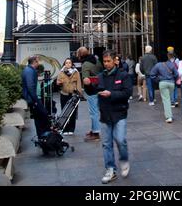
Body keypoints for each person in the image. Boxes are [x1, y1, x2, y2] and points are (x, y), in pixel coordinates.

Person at [83, 50, 133, 184]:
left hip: (119, 113)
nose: (106, 64)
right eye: (104, 61)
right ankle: (110, 169)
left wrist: (111, 94)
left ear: (114, 60)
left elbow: (127, 92)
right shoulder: (100, 76)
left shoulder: (123, 75)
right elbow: (93, 91)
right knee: (106, 144)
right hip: (105, 114)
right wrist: (87, 85)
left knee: (120, 139)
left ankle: (124, 159)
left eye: (108, 61)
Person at [77, 46, 103, 142]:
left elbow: (86, 80)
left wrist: (86, 81)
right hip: (99, 88)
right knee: (95, 111)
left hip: (91, 90)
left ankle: (96, 133)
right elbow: (101, 72)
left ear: (80, 55)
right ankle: (93, 130)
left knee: (93, 112)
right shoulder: (96, 59)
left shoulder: (85, 64)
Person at [22, 55, 51, 138]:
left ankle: (42, 136)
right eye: (38, 61)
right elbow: (30, 86)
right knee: (44, 115)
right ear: (34, 62)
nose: (39, 63)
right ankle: (44, 135)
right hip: (34, 99)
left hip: (34, 98)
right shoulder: (29, 71)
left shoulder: (30, 70)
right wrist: (36, 101)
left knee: (39, 117)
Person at [56, 58, 82, 135]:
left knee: (73, 112)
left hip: (73, 94)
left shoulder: (76, 72)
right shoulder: (61, 72)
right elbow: (58, 83)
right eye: (66, 63)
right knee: (64, 111)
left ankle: (71, 129)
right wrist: (58, 83)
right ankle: (65, 128)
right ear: (64, 64)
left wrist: (79, 93)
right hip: (64, 94)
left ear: (72, 64)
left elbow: (79, 83)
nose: (68, 64)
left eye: (69, 63)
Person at [150, 57, 178, 123]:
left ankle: (169, 117)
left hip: (163, 83)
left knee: (166, 100)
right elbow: (176, 74)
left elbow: (152, 74)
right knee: (169, 98)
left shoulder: (158, 65)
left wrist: (158, 80)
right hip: (171, 83)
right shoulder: (172, 64)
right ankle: (170, 114)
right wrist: (173, 79)